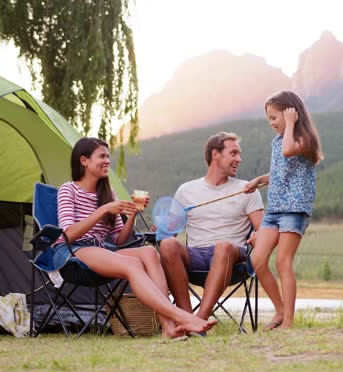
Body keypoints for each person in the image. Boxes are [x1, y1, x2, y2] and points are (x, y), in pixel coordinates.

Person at [53, 137, 216, 339]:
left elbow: (119, 241)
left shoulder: (108, 192)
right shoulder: (68, 189)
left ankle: (168, 327)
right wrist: (104, 210)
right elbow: (67, 234)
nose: (107, 161)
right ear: (84, 160)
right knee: (132, 264)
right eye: (101, 156)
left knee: (148, 252)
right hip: (73, 252)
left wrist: (132, 213)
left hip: (102, 251)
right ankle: (182, 317)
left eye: (108, 156)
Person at [159, 132, 267, 331]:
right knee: (167, 245)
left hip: (233, 258)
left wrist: (258, 235)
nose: (239, 159)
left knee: (223, 246)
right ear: (215, 154)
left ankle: (199, 319)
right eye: (233, 153)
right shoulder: (186, 190)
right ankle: (186, 316)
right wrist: (161, 230)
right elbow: (168, 234)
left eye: (239, 154)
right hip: (196, 256)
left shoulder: (247, 189)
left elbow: (264, 231)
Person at [245, 91, 323, 330]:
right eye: (269, 119)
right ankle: (279, 311)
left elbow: (289, 151)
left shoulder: (304, 140)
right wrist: (260, 178)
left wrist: (289, 124)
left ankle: (288, 321)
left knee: (283, 262)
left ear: (291, 112)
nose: (271, 123)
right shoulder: (278, 141)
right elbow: (282, 169)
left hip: (294, 209)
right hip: (275, 209)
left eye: (274, 117)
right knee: (257, 259)